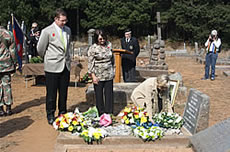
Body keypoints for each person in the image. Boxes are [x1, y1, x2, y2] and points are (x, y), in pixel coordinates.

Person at [37, 8, 72, 125]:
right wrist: (49, 59)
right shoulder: (47, 31)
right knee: (51, 93)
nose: (64, 23)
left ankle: (62, 112)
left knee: (63, 92)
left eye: (65, 20)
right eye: (62, 20)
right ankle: (50, 114)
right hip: (52, 66)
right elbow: (40, 49)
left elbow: (68, 46)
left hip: (65, 66)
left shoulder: (67, 30)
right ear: (56, 19)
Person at [88, 29, 115, 116]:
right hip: (98, 74)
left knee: (109, 95)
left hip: (109, 74)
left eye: (104, 38)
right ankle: (101, 113)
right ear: (96, 39)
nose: (102, 40)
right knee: (99, 95)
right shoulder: (93, 48)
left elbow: (112, 59)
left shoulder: (109, 45)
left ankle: (109, 113)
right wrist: (93, 76)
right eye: (100, 39)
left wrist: (113, 70)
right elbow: (90, 63)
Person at [0, 25, 17, 116]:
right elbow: (13, 51)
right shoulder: (8, 34)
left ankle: (0, 108)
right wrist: (14, 63)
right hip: (6, 63)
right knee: (7, 85)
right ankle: (8, 108)